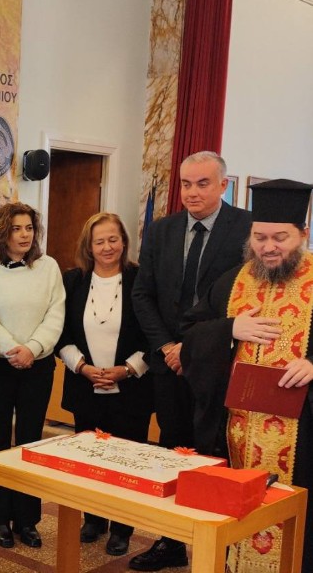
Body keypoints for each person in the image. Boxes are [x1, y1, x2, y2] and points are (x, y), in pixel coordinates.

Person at [181, 179, 313, 573]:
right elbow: (190, 336)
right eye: (259, 237)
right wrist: (229, 329)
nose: (268, 247)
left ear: (303, 235)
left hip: (303, 438)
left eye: (280, 238)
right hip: (236, 434)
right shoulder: (232, 282)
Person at [131, 151, 251, 571]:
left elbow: (245, 299)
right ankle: (170, 541)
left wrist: (193, 348)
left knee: (213, 453)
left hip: (218, 364)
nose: (192, 192)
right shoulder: (162, 230)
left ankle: (218, 545)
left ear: (223, 185)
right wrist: (169, 347)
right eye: (185, 184)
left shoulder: (247, 229)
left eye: (203, 183)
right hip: (168, 364)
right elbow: (143, 295)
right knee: (172, 450)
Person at [56, 212, 151, 557]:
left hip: (132, 389)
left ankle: (122, 527)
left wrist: (128, 369)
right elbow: (61, 333)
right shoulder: (73, 280)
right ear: (89, 246)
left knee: (126, 461)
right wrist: (82, 367)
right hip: (85, 387)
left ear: (124, 241)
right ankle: (93, 519)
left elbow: (153, 333)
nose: (107, 247)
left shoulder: (140, 279)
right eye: (100, 241)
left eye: (113, 239)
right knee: (90, 458)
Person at [0, 202, 65, 550]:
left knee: (31, 441)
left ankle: (27, 519)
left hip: (38, 366)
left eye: (29, 228)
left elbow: (56, 313)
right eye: (16, 229)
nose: (24, 235)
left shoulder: (48, 266)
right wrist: (13, 348)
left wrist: (34, 348)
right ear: (2, 232)